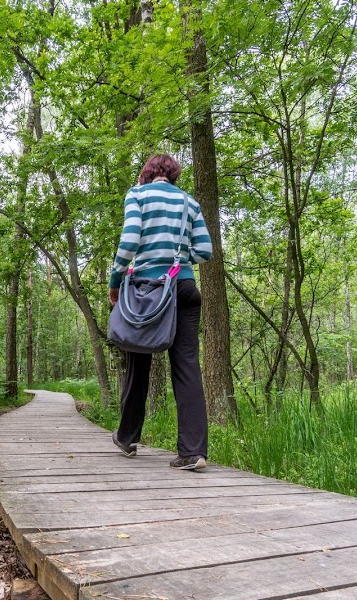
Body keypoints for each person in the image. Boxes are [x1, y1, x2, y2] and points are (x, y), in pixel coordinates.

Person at [107, 154, 213, 470]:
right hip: (183, 287)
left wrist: (115, 280)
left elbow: (128, 242)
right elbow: (205, 251)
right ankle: (193, 452)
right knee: (187, 366)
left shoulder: (137, 195)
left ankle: (127, 438)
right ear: (174, 176)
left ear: (147, 174)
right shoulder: (189, 202)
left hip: (148, 290)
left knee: (138, 359)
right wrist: (180, 257)